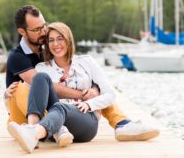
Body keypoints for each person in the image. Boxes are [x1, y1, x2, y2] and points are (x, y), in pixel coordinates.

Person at [4, 5, 159, 144]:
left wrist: (94, 89)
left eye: (44, 26)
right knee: (25, 87)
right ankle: (43, 129)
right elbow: (47, 87)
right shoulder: (18, 57)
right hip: (23, 113)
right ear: (22, 32)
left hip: (64, 112)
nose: (44, 32)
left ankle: (122, 123)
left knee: (90, 86)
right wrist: (85, 95)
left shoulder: (49, 47)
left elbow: (103, 90)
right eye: (37, 30)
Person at [8, 22, 116, 152]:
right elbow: (31, 97)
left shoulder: (86, 61)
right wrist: (7, 97)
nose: (55, 44)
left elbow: (111, 95)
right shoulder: (42, 67)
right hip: (55, 128)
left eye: (60, 39)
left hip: (86, 121)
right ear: (47, 44)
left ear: (69, 40)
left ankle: (33, 133)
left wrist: (89, 104)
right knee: (40, 77)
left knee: (60, 107)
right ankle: (33, 130)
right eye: (51, 40)